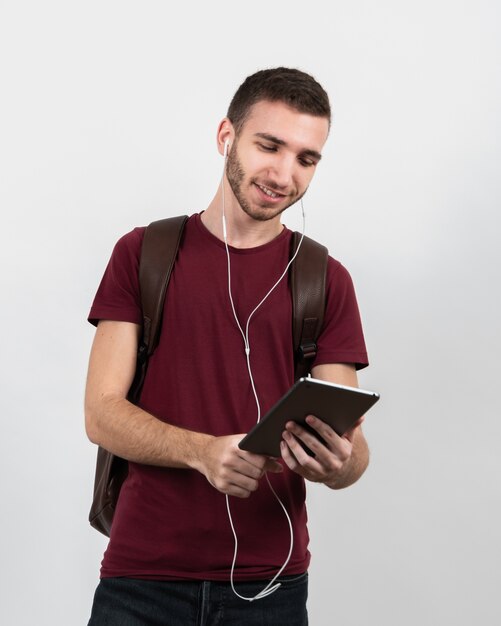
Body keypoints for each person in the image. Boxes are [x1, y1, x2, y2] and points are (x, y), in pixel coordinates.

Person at [85, 67, 369, 625]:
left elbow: (354, 452)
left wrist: (338, 464)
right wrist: (201, 451)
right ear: (226, 137)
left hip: (271, 588)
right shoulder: (143, 253)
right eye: (270, 145)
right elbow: (101, 414)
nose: (285, 174)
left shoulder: (325, 277)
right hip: (142, 581)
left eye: (306, 159)